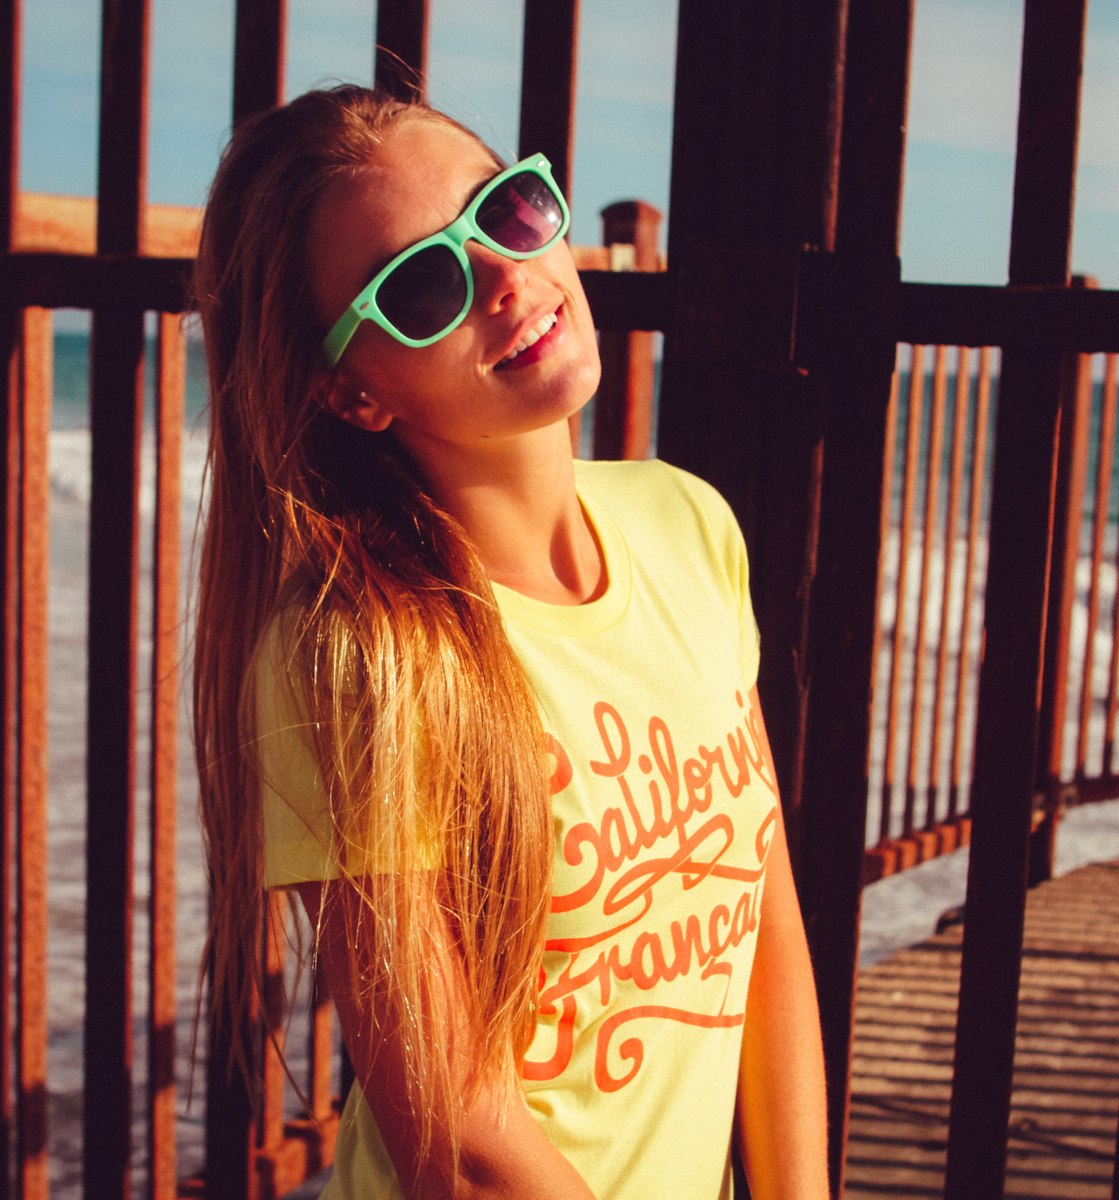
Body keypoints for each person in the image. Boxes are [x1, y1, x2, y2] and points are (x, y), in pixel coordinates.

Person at [192, 84, 827, 1200]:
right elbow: (461, 1139)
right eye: (423, 284)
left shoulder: (686, 525)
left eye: (508, 209)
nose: (503, 274)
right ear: (353, 393)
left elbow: (764, 931)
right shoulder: (360, 656)